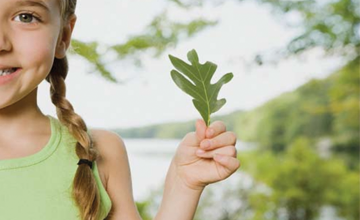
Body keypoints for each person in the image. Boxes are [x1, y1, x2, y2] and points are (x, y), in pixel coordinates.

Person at [0, 0, 240, 219]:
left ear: (64, 36)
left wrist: (183, 186)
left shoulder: (98, 152)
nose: (1, 42)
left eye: (25, 17)